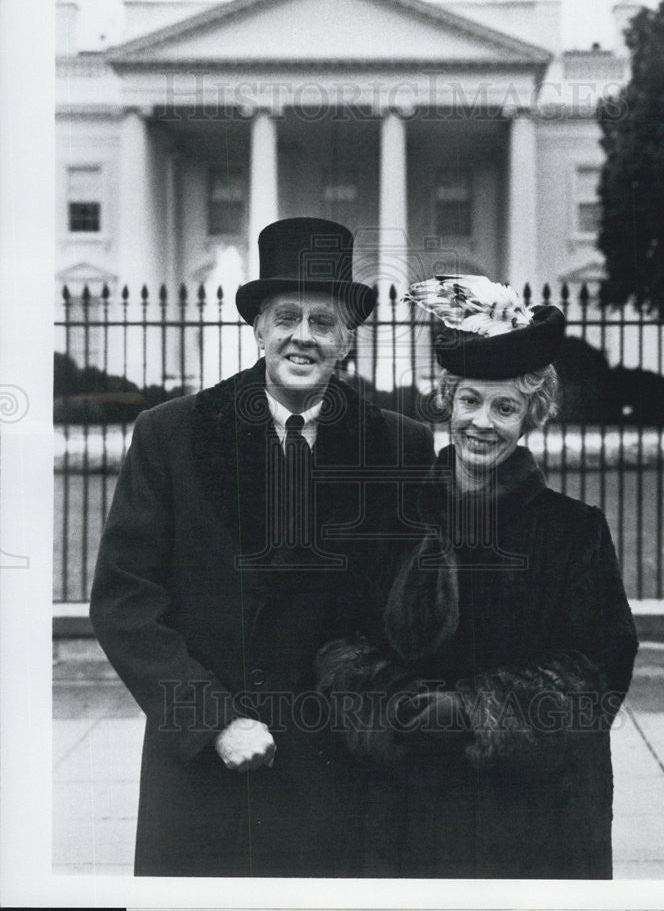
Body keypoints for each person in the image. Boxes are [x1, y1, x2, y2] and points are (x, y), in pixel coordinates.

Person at [89, 217, 435, 877]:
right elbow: (125, 602)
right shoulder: (171, 434)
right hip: (210, 765)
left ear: (347, 341)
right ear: (258, 328)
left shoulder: (398, 445)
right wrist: (213, 721)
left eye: (323, 321)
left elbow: (413, 607)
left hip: (341, 767)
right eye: (286, 317)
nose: (302, 335)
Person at [317, 275, 639, 879]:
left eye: (505, 407)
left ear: (531, 416)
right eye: (470, 401)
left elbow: (597, 667)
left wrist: (474, 710)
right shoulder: (391, 520)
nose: (482, 423)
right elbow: (341, 641)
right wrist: (396, 705)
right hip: (408, 803)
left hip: (533, 817)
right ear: (448, 402)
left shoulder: (573, 532)